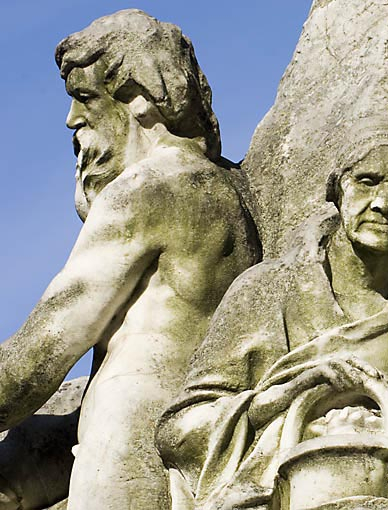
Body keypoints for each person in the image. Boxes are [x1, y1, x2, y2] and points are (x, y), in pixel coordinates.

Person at [0, 10, 260, 509]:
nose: (72, 120)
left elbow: (32, 363)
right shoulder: (230, 190)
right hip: (197, 450)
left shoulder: (148, 188)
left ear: (138, 97)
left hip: (129, 452)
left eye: (84, 98)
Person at [156, 116, 388, 509]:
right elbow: (179, 431)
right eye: (367, 181)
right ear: (336, 188)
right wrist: (293, 390)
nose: (382, 204)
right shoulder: (267, 289)